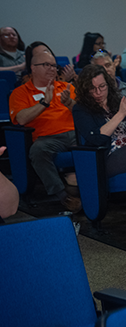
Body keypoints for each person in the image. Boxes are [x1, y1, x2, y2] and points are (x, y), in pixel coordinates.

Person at [72, 65, 126, 212]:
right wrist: (121, 114)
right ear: (85, 90)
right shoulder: (81, 109)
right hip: (108, 159)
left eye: (102, 86)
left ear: (109, 85)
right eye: (92, 88)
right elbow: (96, 138)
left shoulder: (117, 102)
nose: (98, 92)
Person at [9, 42, 80, 212]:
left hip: (74, 133)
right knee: (38, 151)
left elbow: (83, 113)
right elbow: (21, 119)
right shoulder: (20, 92)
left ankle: (98, 191)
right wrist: (44, 103)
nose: (52, 69)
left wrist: (70, 103)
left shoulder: (67, 87)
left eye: (54, 66)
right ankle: (63, 196)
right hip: (48, 138)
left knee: (97, 141)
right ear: (33, 68)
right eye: (46, 65)